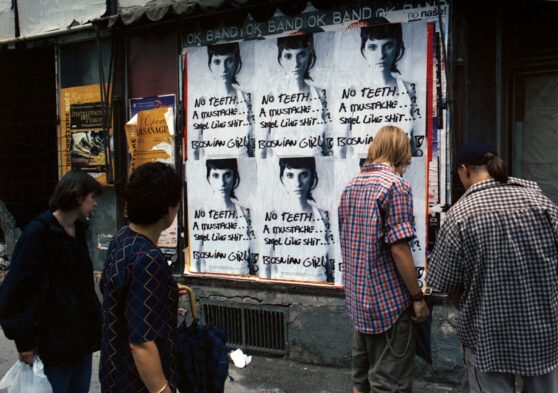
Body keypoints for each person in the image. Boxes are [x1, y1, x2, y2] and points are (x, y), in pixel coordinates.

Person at [427, 141, 558, 393]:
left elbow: (447, 283)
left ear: (464, 170)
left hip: (488, 332)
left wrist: (469, 303)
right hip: (542, 327)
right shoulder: (539, 201)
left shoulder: (460, 215)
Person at [338, 125, 429, 393]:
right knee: (390, 385)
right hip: (388, 305)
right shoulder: (396, 186)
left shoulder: (352, 185)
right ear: (402, 150)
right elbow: (399, 249)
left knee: (361, 381)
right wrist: (416, 298)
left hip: (359, 303)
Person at [0, 170, 103, 393]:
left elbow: (82, 286)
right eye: (92, 196)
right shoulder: (39, 232)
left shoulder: (80, 231)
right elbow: (17, 289)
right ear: (77, 197)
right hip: (51, 342)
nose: (95, 203)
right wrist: (24, 341)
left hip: (80, 340)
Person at [100, 162, 184, 393]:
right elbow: (142, 341)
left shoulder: (122, 238)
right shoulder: (148, 259)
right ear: (169, 210)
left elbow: (114, 293)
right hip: (136, 382)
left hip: (113, 372)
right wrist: (162, 390)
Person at [337, 18, 419, 158]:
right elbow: (341, 147)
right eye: (373, 47)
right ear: (364, 49)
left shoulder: (408, 89)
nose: (381, 55)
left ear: (398, 46)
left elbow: (413, 146)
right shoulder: (352, 92)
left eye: (387, 46)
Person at [257, 33, 332, 158]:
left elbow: (325, 145)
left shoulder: (320, 95)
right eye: (288, 56)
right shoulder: (271, 97)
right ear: (280, 59)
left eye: (301, 54)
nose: (295, 63)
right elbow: (262, 146)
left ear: (309, 55)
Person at [263, 157, 334, 283]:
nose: (297, 183)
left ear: (312, 176)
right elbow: (266, 266)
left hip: (317, 288)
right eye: (290, 175)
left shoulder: (323, 217)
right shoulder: (274, 218)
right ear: (282, 178)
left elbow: (330, 266)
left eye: (303, 175)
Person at [190, 158, 256, 275]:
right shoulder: (201, 214)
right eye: (215, 175)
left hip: (243, 280)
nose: (222, 182)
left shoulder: (245, 213)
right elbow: (196, 260)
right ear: (209, 178)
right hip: (213, 281)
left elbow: (252, 256)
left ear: (235, 176)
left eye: (227, 175)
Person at [190, 42, 254, 159]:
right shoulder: (202, 102)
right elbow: (195, 149)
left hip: (242, 163)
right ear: (210, 64)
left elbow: (253, 144)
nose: (223, 68)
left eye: (228, 61)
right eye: (217, 62)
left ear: (236, 62)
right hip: (213, 165)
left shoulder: (246, 98)